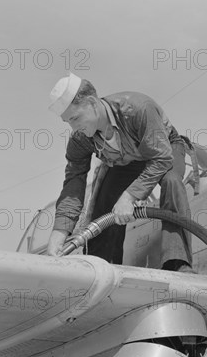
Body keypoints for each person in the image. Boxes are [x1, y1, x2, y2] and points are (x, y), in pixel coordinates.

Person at [46, 73, 192, 271]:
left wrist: (130, 196)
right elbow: (74, 182)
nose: (74, 127)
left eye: (75, 118)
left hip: (163, 150)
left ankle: (177, 263)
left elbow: (161, 158)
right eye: (68, 122)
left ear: (91, 102)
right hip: (126, 162)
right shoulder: (80, 139)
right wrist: (60, 231)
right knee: (105, 200)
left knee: (172, 182)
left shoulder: (138, 109)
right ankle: (98, 267)